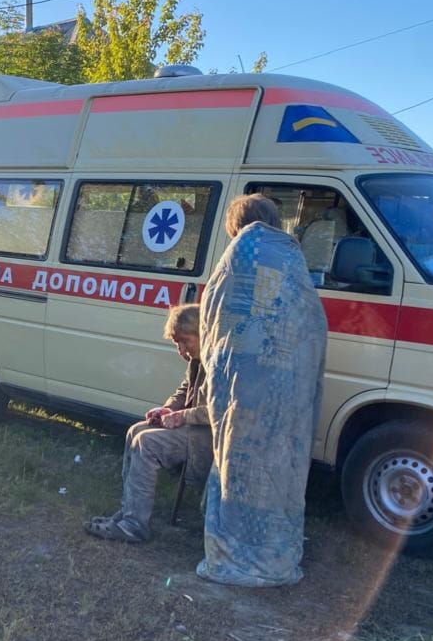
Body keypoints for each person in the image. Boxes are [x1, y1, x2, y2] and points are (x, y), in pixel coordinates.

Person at [197, 194, 328, 586]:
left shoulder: (239, 256)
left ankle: (233, 554)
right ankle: (274, 552)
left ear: (235, 224)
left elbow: (214, 323)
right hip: (287, 388)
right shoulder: (291, 259)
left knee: (237, 466)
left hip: (242, 386)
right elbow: (310, 323)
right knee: (277, 468)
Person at [85, 304, 212, 543]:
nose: (182, 350)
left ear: (202, 333)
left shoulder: (217, 361)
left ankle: (134, 527)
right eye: (177, 344)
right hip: (193, 427)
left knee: (148, 442)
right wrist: (168, 408)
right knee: (135, 430)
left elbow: (221, 411)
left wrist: (183, 416)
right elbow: (184, 391)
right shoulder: (197, 359)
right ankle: (127, 513)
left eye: (186, 341)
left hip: (209, 435)